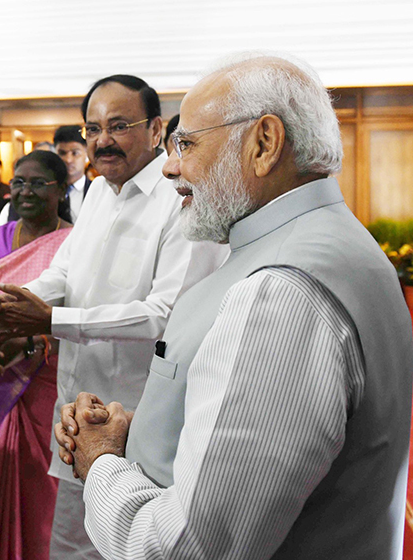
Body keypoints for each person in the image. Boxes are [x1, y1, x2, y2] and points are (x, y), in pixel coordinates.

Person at [56, 54, 413, 560]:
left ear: (263, 144)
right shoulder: (325, 240)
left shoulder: (281, 292)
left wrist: (102, 462)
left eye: (187, 144)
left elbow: (187, 548)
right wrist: (148, 430)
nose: (170, 166)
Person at [0, 75, 228, 559]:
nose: (103, 140)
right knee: (72, 544)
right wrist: (7, 303)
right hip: (77, 411)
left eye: (118, 126)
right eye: (92, 129)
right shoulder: (95, 193)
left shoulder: (181, 198)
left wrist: (52, 321)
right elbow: (62, 271)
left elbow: (165, 315)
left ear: (156, 129)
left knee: (135, 543)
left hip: (138, 416)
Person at [0, 150, 73, 560]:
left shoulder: (74, 242)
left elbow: (75, 317)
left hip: (46, 377)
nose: (25, 191)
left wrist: (29, 344)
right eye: (18, 183)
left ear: (61, 190)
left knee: (39, 480)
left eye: (38, 183)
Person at [54, 125, 91, 222]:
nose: (68, 160)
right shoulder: (49, 191)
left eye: (75, 153)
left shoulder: (98, 191)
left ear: (86, 154)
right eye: (62, 153)